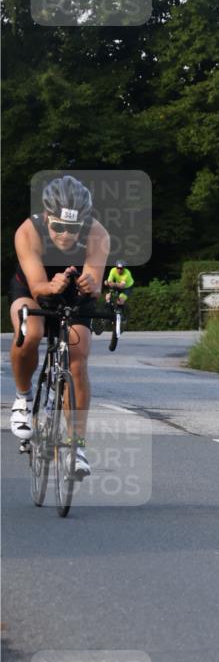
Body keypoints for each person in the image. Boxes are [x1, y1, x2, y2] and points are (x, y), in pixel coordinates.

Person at [8, 176, 110, 477]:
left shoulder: (97, 234)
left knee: (77, 360)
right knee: (30, 333)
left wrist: (91, 284)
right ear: (46, 217)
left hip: (74, 294)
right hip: (33, 287)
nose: (66, 235)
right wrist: (50, 288)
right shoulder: (28, 231)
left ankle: (76, 444)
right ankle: (23, 398)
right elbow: (38, 286)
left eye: (73, 228)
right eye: (59, 227)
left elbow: (95, 284)